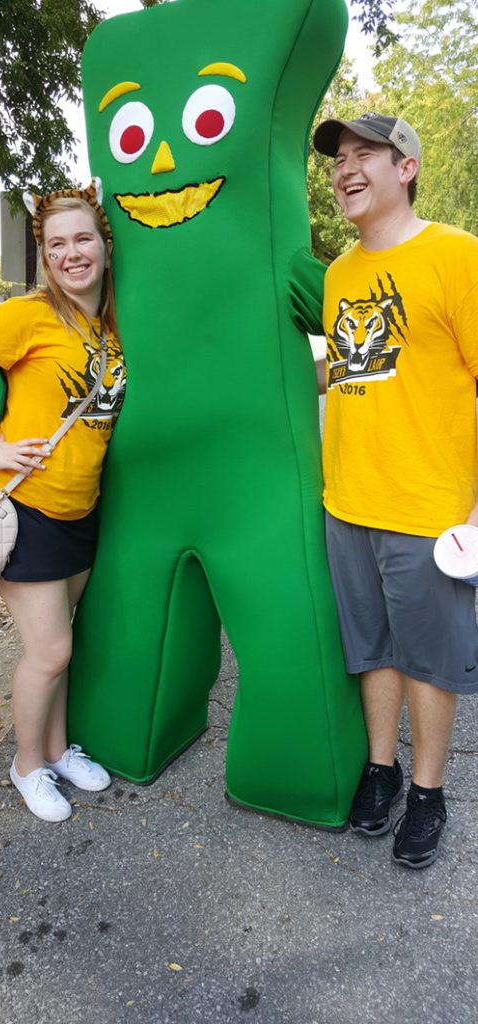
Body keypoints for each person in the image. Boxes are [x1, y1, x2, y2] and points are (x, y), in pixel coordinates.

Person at [0, 184, 127, 823]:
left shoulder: (113, 325)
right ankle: (26, 764)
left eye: (82, 239)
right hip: (23, 509)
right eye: (56, 243)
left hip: (81, 509)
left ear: (105, 245)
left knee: (64, 642)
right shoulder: (29, 315)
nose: (71, 254)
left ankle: (58, 750)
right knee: (50, 652)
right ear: (43, 254)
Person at [312, 112, 478, 868]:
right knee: (371, 650)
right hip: (346, 505)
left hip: (426, 508)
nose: (344, 168)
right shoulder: (336, 275)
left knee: (426, 660)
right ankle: (379, 772)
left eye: (362, 155)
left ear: (404, 166)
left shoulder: (455, 255)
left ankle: (428, 790)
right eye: (336, 159)